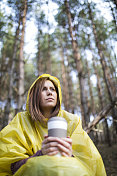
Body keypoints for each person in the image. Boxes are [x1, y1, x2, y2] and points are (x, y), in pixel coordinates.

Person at [0, 74, 107, 176]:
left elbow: (88, 162)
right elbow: (12, 167)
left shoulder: (71, 121)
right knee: (39, 166)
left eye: (53, 89)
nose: (50, 93)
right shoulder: (21, 120)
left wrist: (69, 155)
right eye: (44, 89)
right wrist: (41, 154)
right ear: (35, 94)